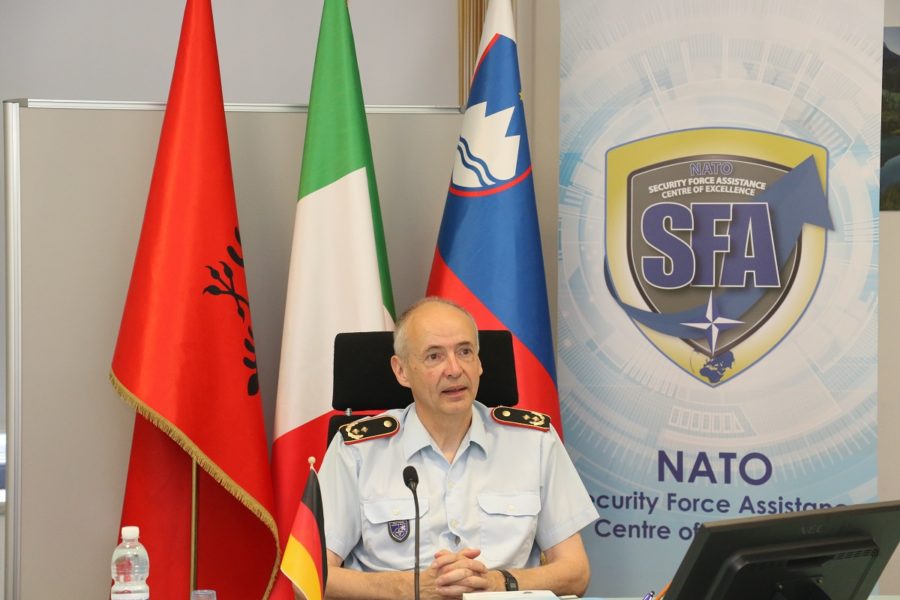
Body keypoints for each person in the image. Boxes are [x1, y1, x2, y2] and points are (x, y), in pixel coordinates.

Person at [315, 297, 599, 600]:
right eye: (434, 356)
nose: (454, 369)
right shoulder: (357, 450)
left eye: (465, 352)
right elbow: (310, 574)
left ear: (479, 363)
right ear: (401, 371)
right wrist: (411, 588)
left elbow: (576, 572)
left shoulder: (534, 441)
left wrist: (497, 583)